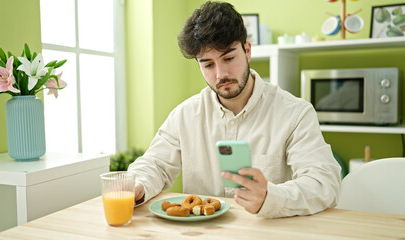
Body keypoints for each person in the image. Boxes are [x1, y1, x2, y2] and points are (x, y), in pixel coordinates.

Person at [128, 1, 341, 218]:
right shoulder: (185, 115)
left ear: (247, 51)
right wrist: (138, 185)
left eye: (228, 58)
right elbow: (154, 164)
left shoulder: (295, 114)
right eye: (208, 65)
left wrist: (272, 197)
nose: (221, 74)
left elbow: (324, 183)